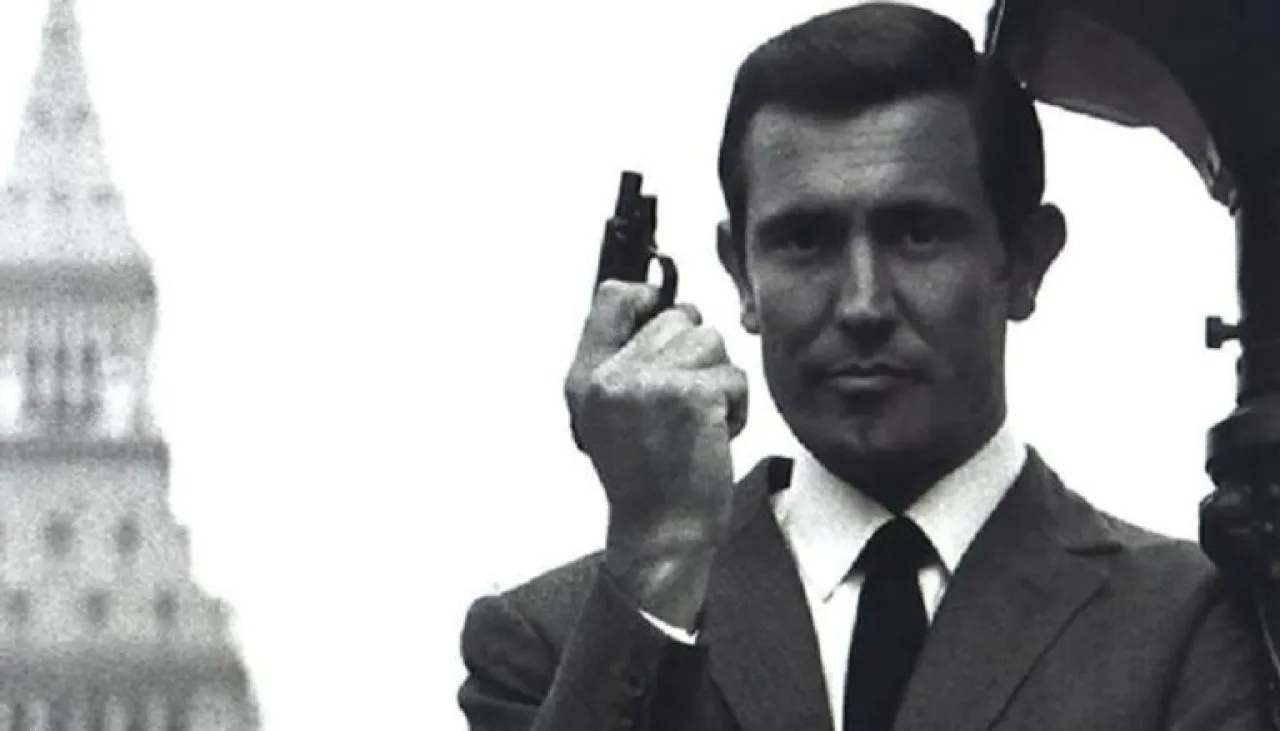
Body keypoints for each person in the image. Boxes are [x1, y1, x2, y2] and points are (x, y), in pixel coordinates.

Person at [456, 3, 1273, 730]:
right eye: (804, 240)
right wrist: (658, 557)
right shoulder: (549, 642)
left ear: (1025, 261)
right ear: (741, 275)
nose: (862, 303)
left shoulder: (1194, 624)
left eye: (918, 234)